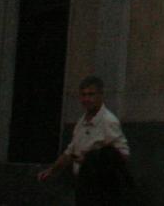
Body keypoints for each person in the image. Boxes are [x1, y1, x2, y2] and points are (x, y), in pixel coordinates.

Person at [38, 75, 134, 203]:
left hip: (102, 189)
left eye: (91, 94)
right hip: (83, 185)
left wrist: (92, 160)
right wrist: (52, 170)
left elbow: (123, 155)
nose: (86, 99)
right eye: (83, 95)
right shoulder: (81, 122)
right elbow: (70, 152)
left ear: (100, 95)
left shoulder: (108, 121)